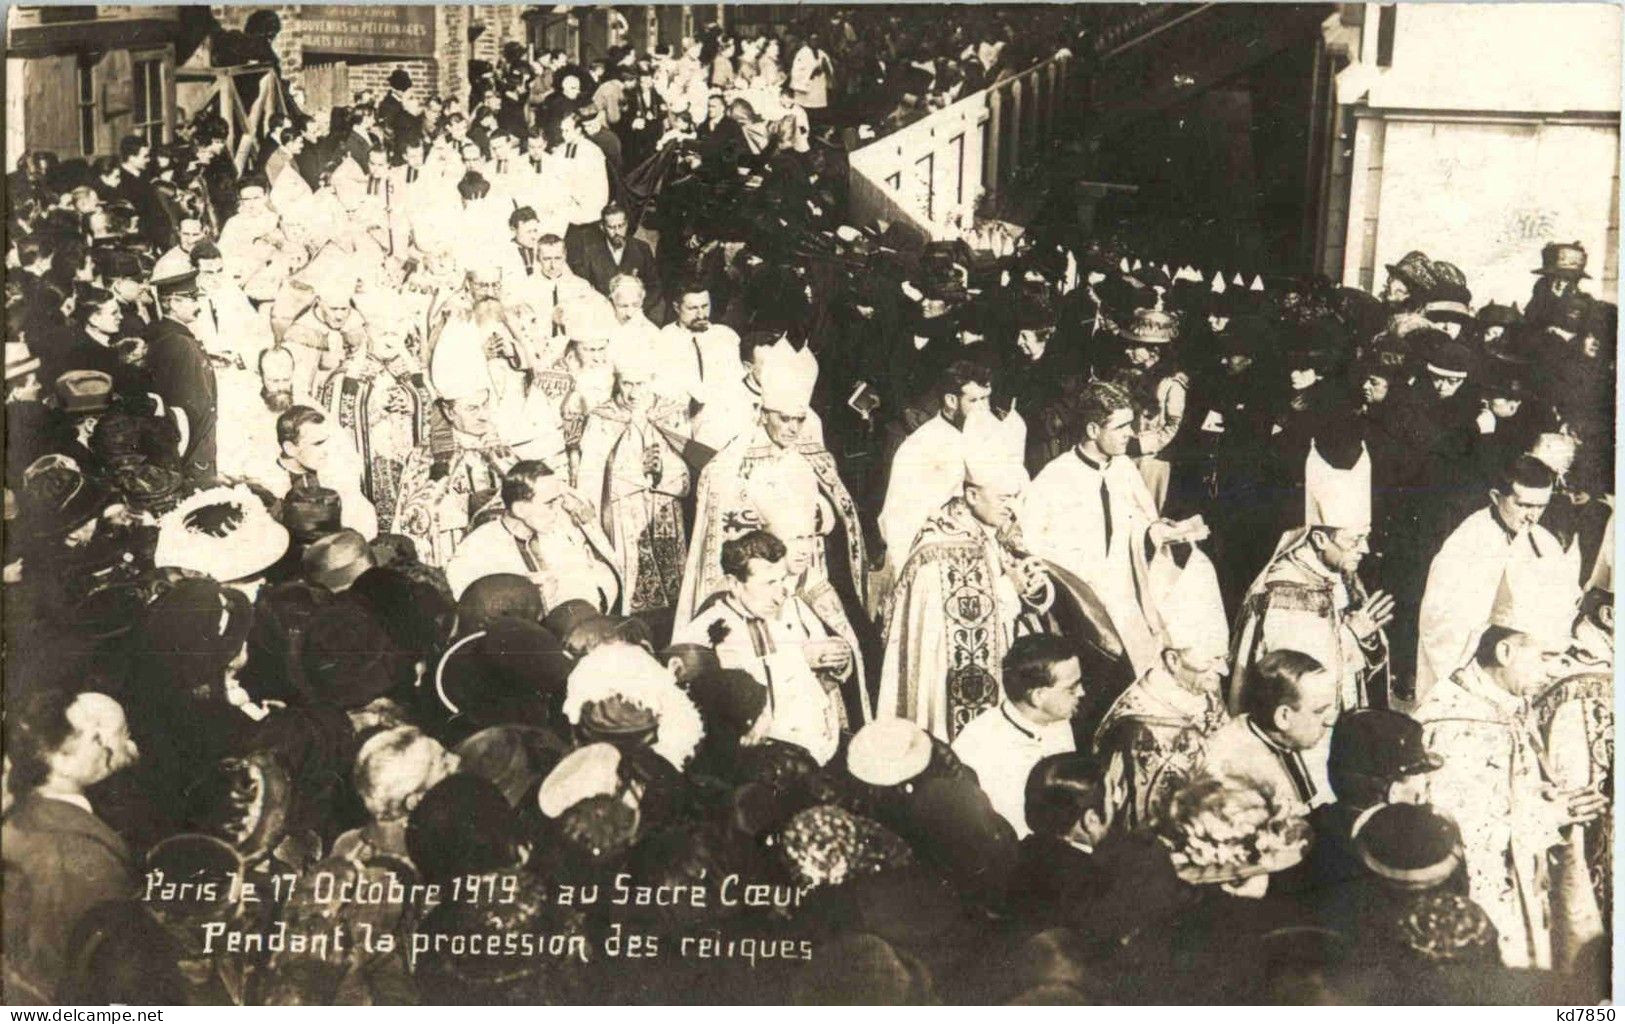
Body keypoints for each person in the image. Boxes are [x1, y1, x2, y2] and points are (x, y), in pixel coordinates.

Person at [1415, 580, 1607, 969]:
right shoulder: (1456, 722)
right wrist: (1548, 816)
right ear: (1504, 651)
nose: (1554, 669)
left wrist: (1550, 800)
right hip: (1479, 901)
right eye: (1546, 656)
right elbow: (1460, 833)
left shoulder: (1503, 700)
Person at [677, 338, 868, 627]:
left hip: (808, 572)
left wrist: (821, 515)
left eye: (799, 420)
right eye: (785, 419)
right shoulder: (733, 463)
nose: (793, 428)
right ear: (764, 415)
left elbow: (838, 514)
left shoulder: (809, 455)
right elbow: (728, 531)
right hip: (758, 580)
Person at [878, 430, 1052, 741]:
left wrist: (1031, 586)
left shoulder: (996, 528)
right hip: (948, 686)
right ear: (972, 496)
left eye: (1015, 497)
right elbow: (966, 614)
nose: (1013, 507)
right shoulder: (940, 546)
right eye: (1004, 498)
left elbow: (1013, 587)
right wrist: (1011, 589)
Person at [1021, 379, 1201, 676]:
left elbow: (1144, 521)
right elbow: (1033, 548)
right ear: (1093, 430)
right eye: (1121, 427)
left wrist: (1161, 533)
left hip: (1127, 602)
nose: (1131, 434)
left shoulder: (1125, 469)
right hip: (1079, 611)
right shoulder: (1055, 478)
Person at [1231, 433, 1393, 736]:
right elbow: (1290, 681)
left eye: (1366, 536)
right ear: (1319, 539)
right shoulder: (1286, 592)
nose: (1366, 549)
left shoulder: (1339, 572)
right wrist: (1351, 635)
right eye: (1355, 539)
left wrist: (1369, 639)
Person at [3, 691, 141, 1003]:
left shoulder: (24, 813)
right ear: (96, 744)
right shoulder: (75, 853)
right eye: (124, 734)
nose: (131, 747)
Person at [1413, 455, 1581, 707]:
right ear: (1495, 496)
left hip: (1524, 671)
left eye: (1540, 507)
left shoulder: (1545, 542)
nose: (1532, 517)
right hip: (1476, 673)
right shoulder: (1466, 544)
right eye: (1524, 505)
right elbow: (1440, 625)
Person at [671, 529, 846, 765]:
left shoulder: (793, 608)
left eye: (783, 580)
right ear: (734, 583)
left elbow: (824, 676)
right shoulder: (705, 631)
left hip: (818, 750)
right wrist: (801, 657)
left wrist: (834, 659)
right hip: (760, 763)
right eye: (769, 583)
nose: (779, 595)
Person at [1093, 551, 1231, 830]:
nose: (1222, 672)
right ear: (1172, 660)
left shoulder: (1204, 688)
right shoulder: (1136, 722)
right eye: (1209, 661)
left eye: (1223, 659)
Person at [572, 348, 691, 629]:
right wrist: (637, 471)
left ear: (653, 380)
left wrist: (662, 471)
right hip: (623, 512)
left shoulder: (671, 413)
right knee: (633, 589)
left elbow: (688, 473)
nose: (634, 393)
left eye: (641, 384)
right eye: (627, 384)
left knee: (675, 594)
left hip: (666, 510)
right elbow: (591, 472)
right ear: (617, 380)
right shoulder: (603, 417)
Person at [444, 459, 619, 613]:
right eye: (549, 504)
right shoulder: (478, 547)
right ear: (519, 509)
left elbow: (591, 585)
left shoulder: (556, 535)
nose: (557, 513)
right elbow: (468, 607)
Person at [950, 633, 1080, 837]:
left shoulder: (1058, 720)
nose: (1082, 693)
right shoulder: (977, 747)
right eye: (1072, 688)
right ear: (1038, 697)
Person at [1198, 649, 1336, 816]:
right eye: (1319, 711)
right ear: (1283, 717)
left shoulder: (1274, 735)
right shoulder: (1234, 771)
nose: (1330, 720)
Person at [147, 267, 218, 479]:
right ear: (173, 302)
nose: (198, 305)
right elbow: (191, 404)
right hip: (193, 451)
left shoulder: (165, 335)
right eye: (192, 298)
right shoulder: (180, 343)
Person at [268, 405, 378, 539]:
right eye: (318, 443)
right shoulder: (269, 485)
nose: (327, 451)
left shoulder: (333, 471)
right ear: (290, 448)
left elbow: (364, 518)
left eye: (326, 441)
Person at [570, 202, 660, 314]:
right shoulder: (590, 252)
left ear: (627, 224)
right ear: (602, 227)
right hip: (602, 315)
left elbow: (654, 286)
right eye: (612, 227)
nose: (617, 232)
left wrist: (638, 308)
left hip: (635, 313)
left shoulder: (642, 249)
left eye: (621, 226)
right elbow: (582, 288)